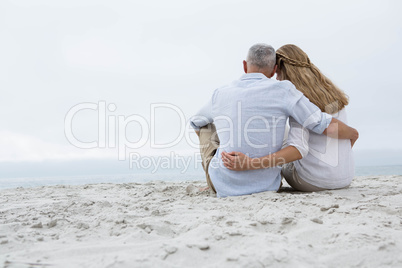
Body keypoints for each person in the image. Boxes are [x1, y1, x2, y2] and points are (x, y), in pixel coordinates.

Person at [190, 43, 358, 197]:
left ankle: (218, 174)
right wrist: (353, 133)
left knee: (205, 125)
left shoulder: (220, 93)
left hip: (222, 186)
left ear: (244, 65)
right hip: (267, 186)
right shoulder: (286, 92)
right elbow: (319, 122)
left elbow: (195, 121)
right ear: (273, 70)